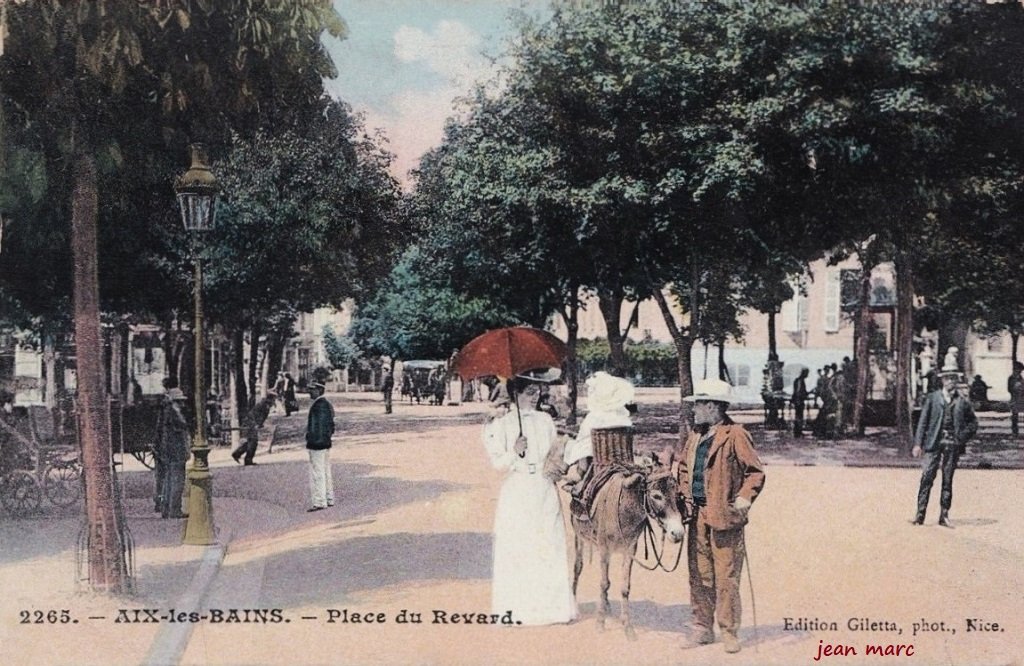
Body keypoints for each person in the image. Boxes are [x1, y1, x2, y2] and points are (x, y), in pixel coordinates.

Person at [678, 378, 766, 654]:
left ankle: (729, 630)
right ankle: (702, 628)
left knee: (726, 577)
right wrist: (684, 496)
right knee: (699, 574)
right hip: (696, 517)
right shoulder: (695, 435)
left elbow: (755, 472)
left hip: (725, 516)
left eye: (699, 405)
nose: (694, 410)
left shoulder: (736, 434)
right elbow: (683, 469)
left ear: (714, 407)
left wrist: (743, 498)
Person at [482, 378, 576, 625]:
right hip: (518, 489)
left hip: (544, 488)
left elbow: (554, 452)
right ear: (515, 395)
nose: (535, 396)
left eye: (537, 392)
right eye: (529, 392)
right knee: (520, 547)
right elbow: (498, 464)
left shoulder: (545, 420)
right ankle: (520, 609)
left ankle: (552, 609)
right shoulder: (501, 424)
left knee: (548, 544)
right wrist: (515, 451)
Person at [912, 370, 977, 527]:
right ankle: (920, 514)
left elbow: (973, 423)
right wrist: (918, 443)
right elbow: (922, 422)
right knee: (927, 476)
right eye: (947, 378)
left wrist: (961, 438)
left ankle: (944, 515)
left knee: (947, 480)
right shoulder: (932, 399)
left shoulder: (962, 401)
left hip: (952, 445)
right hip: (933, 443)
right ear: (942, 381)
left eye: (953, 378)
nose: (950, 381)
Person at [562, 371, 634, 495]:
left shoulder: (594, 416)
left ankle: (580, 472)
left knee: (579, 444)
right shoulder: (623, 415)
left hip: (599, 454)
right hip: (620, 454)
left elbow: (583, 436)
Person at [156, 388, 191, 519]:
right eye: (181, 402)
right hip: (175, 450)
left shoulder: (166, 412)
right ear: (176, 402)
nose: (183, 404)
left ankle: (166, 508)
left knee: (169, 479)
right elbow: (181, 430)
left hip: (168, 450)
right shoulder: (174, 414)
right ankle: (174, 509)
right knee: (177, 480)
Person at [306, 381, 336, 511]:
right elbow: (331, 426)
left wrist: (313, 440)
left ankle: (319, 501)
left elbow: (317, 428)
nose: (309, 392)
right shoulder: (326, 404)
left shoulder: (318, 406)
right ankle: (329, 498)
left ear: (319, 390)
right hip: (325, 442)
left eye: (312, 390)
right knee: (325, 471)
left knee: (318, 473)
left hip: (317, 443)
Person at [232, 391, 276, 465]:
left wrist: (260, 424)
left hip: (252, 424)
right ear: (270, 399)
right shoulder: (263, 405)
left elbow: (261, 417)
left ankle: (237, 454)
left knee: (251, 442)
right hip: (250, 424)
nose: (274, 401)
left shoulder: (265, 405)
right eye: (274, 399)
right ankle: (247, 460)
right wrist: (255, 424)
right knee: (253, 442)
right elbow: (253, 414)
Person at [791, 368, 809, 438]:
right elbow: (798, 391)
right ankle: (798, 432)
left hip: (798, 400)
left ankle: (798, 431)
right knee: (799, 416)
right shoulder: (800, 381)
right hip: (799, 401)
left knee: (799, 416)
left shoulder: (799, 380)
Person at [1008, 362, 1024, 437]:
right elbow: (1009, 388)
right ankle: (1015, 431)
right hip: (1015, 398)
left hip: (1021, 398)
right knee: (1015, 415)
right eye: (1019, 370)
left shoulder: (1020, 377)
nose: (1020, 371)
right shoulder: (1011, 378)